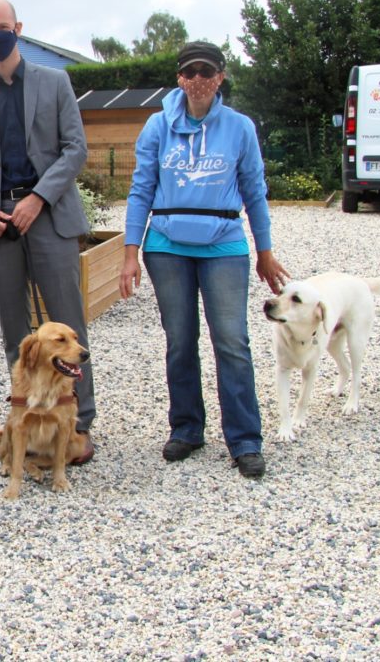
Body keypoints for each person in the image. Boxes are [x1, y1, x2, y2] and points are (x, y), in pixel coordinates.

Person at [118, 40, 290, 479]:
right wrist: (130, 253)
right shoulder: (157, 127)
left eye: (206, 72)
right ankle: (187, 428)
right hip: (167, 246)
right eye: (190, 72)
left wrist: (265, 252)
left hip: (224, 244)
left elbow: (254, 191)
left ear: (220, 77)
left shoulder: (240, 128)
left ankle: (245, 438)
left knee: (232, 341)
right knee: (180, 340)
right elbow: (141, 190)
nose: (198, 80)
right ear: (179, 78)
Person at [0, 0, 97, 461]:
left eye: (2, 25)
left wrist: (39, 197)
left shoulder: (55, 83)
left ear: (17, 27)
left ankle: (78, 425)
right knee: (17, 332)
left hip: (49, 218)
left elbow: (75, 149)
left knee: (68, 327)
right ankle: (25, 418)